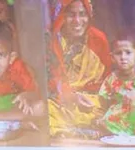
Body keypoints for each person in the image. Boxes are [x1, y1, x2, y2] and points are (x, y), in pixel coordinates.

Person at [48, 0, 111, 135]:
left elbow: (108, 80)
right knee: (46, 109)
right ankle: (79, 131)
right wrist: (71, 97)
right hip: (61, 99)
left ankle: (73, 131)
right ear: (62, 16)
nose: (77, 21)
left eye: (82, 14)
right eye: (71, 15)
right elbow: (52, 79)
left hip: (90, 101)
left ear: (89, 16)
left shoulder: (98, 39)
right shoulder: (53, 41)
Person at [95, 35, 135, 137]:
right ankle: (115, 132)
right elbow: (103, 100)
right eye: (118, 53)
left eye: (128, 53)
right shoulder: (111, 79)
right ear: (112, 58)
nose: (123, 57)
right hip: (117, 116)